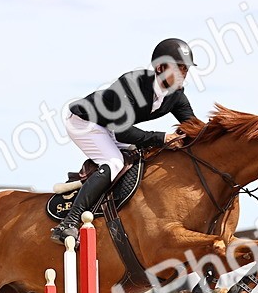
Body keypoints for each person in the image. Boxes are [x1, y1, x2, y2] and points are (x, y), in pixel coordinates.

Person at [52, 38, 198, 244]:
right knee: (114, 162)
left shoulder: (176, 96)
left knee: (144, 156)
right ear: (160, 67)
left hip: (109, 127)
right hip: (85, 122)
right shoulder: (132, 84)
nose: (183, 73)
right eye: (178, 67)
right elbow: (122, 132)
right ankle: (69, 222)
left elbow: (194, 127)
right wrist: (163, 138)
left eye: (185, 69)